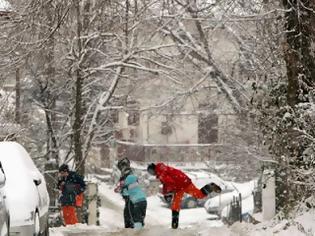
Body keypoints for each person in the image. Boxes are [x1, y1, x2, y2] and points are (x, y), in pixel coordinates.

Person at [147, 162, 222, 229]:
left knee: (199, 195)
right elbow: (166, 183)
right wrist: (166, 192)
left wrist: (168, 193)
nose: (152, 174)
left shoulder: (161, 173)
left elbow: (169, 182)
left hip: (184, 183)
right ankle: (174, 225)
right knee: (175, 205)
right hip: (180, 185)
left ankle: (211, 186)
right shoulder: (161, 170)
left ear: (153, 169)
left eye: (151, 172)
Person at [114, 158, 147, 229]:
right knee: (139, 220)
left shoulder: (126, 174)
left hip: (132, 200)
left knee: (130, 220)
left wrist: (120, 190)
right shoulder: (132, 174)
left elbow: (125, 188)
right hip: (141, 200)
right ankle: (139, 231)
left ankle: (135, 232)